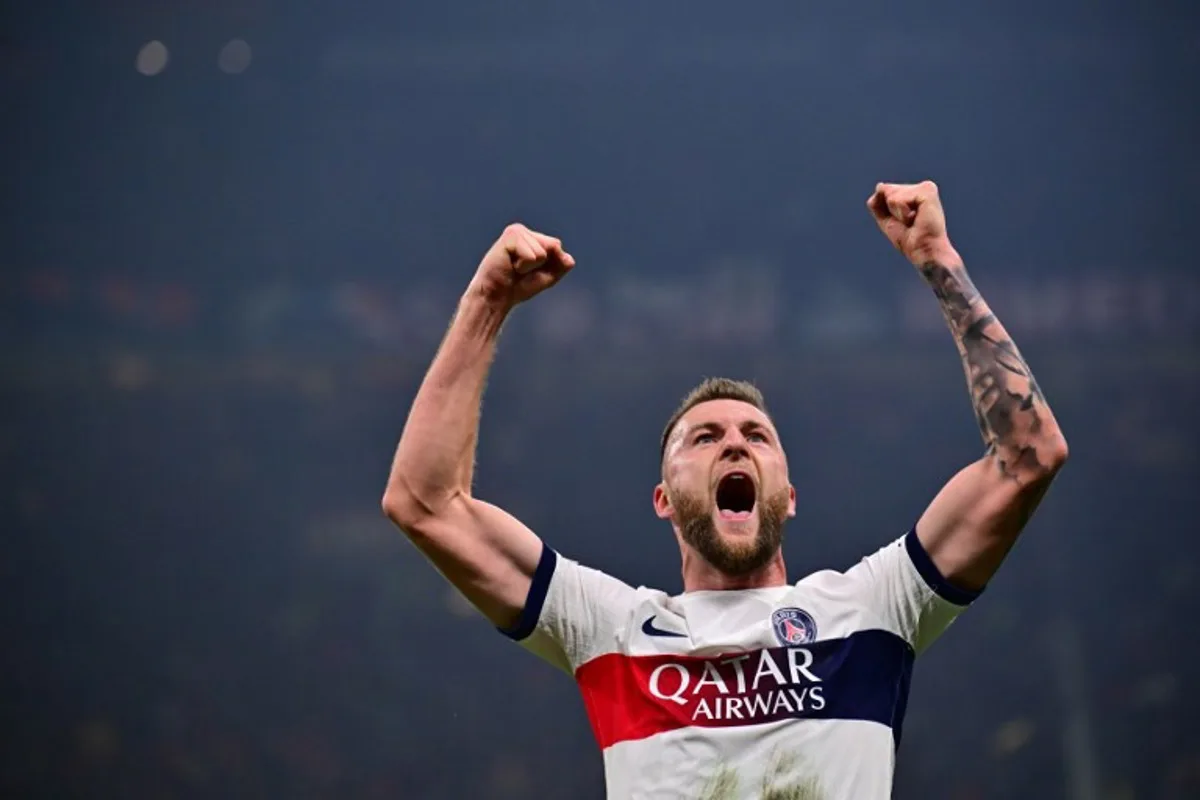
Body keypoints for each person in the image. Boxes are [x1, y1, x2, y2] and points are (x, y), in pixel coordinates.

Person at [381, 180, 1069, 799]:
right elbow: (425, 503)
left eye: (757, 435)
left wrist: (938, 260)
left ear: (790, 495)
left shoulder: (872, 608)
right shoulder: (611, 627)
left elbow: (1029, 456)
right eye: (703, 438)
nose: (735, 441)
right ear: (663, 499)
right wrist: (486, 301)